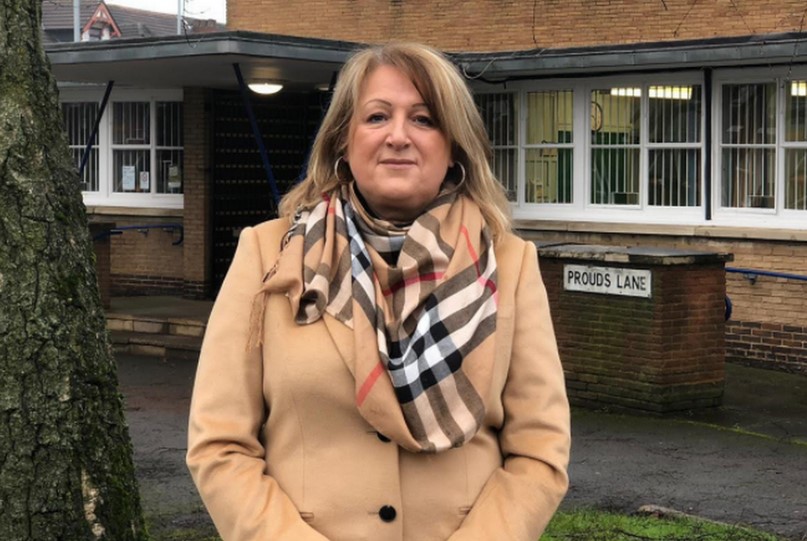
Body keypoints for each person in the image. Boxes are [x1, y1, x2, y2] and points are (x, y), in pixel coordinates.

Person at [187, 42, 571, 541]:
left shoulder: (511, 263)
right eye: (376, 117)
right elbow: (220, 445)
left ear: (454, 147)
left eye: (424, 119)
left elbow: (539, 450)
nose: (398, 136)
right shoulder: (268, 256)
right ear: (343, 141)